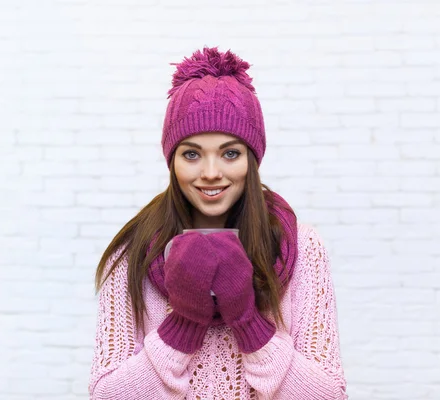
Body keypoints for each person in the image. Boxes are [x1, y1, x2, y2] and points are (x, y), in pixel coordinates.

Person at [89, 46, 348, 399]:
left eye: (230, 153)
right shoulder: (133, 252)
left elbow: (329, 394)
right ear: (172, 160)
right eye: (192, 154)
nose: (211, 173)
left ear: (251, 160)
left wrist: (248, 321)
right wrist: (184, 323)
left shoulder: (302, 248)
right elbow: (106, 395)